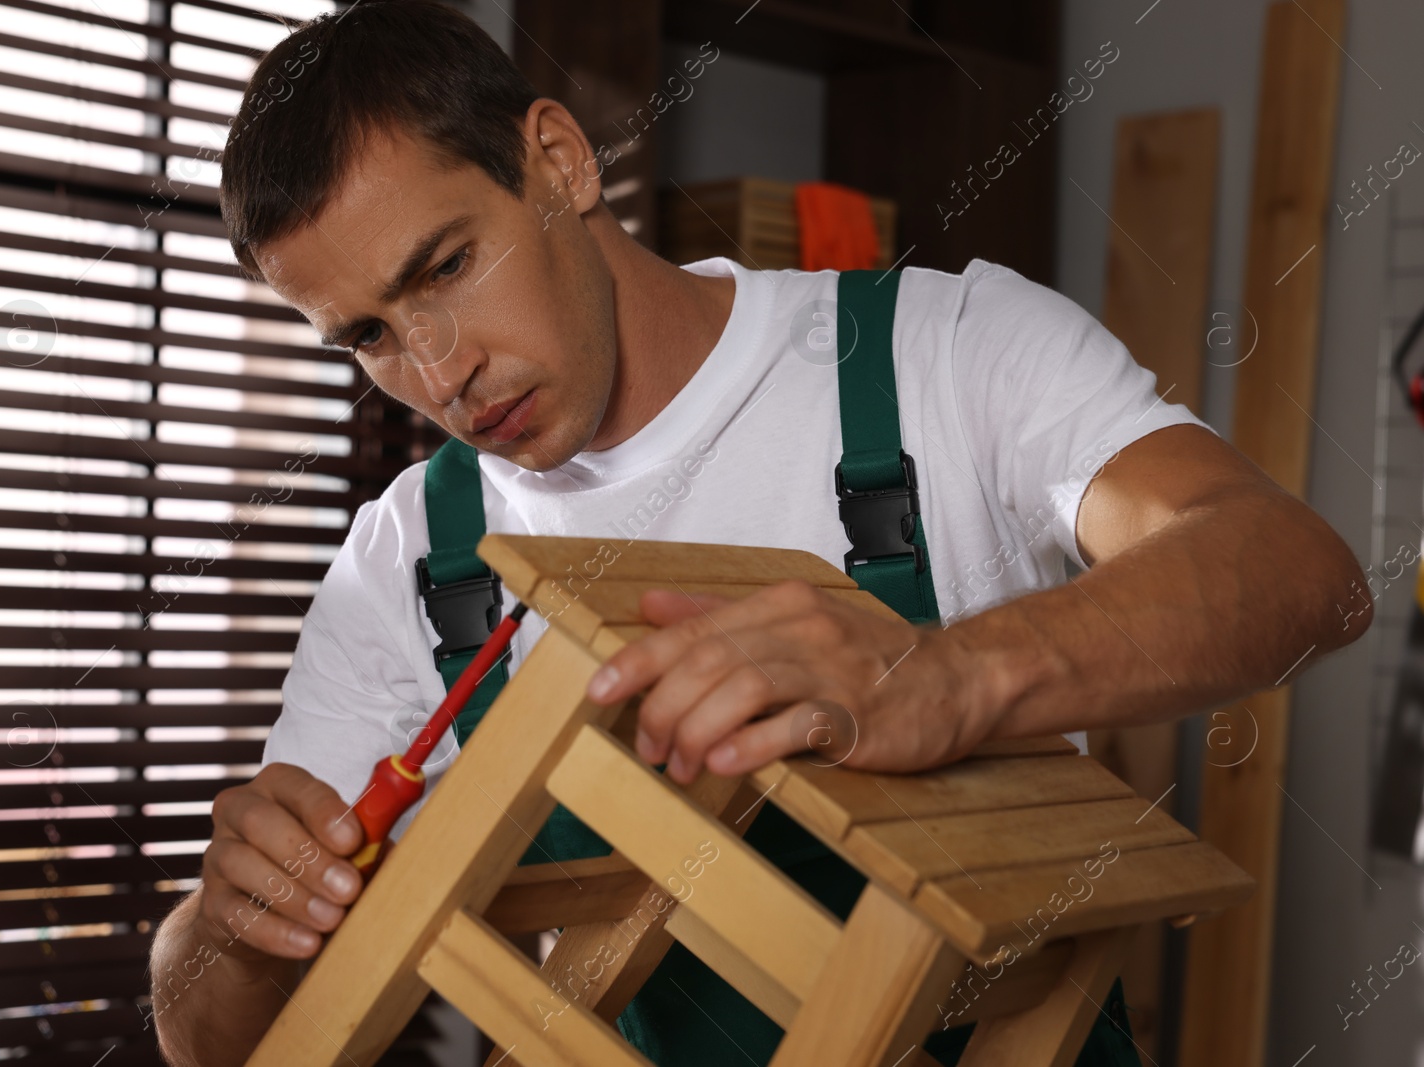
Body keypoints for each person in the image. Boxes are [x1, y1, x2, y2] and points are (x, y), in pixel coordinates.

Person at [148, 2, 1371, 1065]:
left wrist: (946, 674)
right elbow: (223, 1042)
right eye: (365, 336)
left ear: (560, 162)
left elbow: (1296, 571)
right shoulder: (407, 562)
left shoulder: (938, 354)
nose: (438, 370)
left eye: (448, 266)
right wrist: (228, 933)